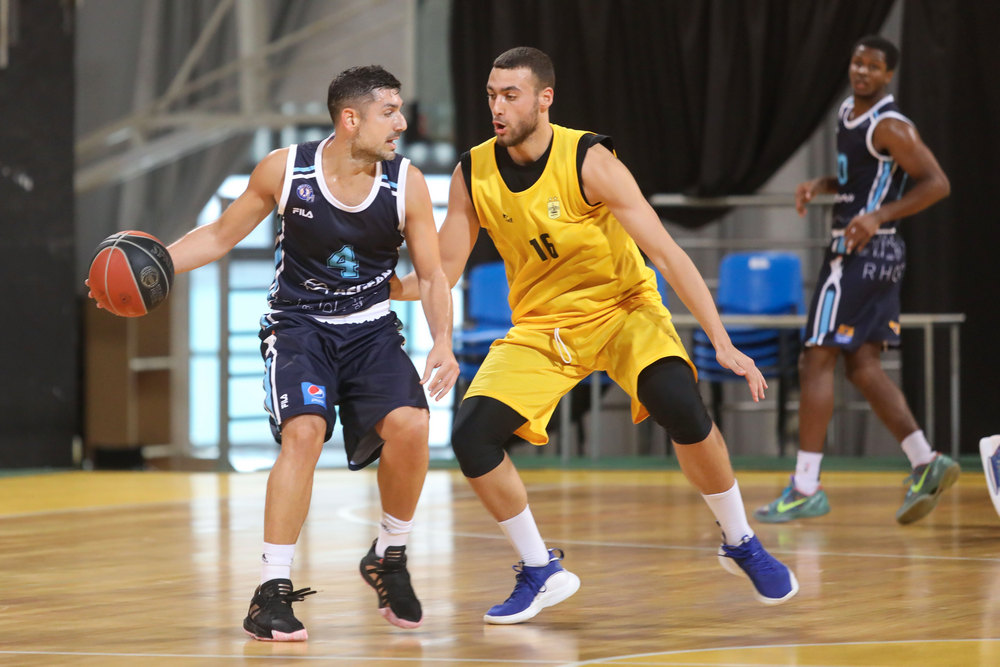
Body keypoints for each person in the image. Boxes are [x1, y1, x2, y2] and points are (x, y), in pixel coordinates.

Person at [393, 46, 798, 624]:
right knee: (471, 437)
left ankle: (741, 541)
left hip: (623, 310)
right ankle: (540, 570)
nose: (497, 107)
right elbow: (442, 271)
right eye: (491, 95)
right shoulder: (472, 172)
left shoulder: (589, 159)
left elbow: (667, 253)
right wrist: (385, 286)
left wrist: (722, 340)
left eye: (510, 95)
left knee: (680, 403)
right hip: (544, 327)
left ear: (545, 99)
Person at [89, 65, 459, 640]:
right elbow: (219, 235)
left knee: (412, 425)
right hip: (298, 328)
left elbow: (432, 276)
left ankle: (389, 554)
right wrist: (150, 268)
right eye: (389, 112)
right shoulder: (286, 170)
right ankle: (272, 591)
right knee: (304, 433)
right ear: (350, 118)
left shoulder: (405, 183)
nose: (401, 123)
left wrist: (443, 342)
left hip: (370, 329)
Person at [754, 36, 957, 525]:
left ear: (889, 75)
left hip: (863, 251)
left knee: (815, 358)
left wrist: (878, 216)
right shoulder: (849, 113)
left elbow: (937, 183)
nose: (862, 71)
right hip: (873, 252)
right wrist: (823, 184)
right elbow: (865, 180)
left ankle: (805, 486)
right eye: (857, 62)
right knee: (863, 365)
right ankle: (925, 461)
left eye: (874, 66)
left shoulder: (891, 125)